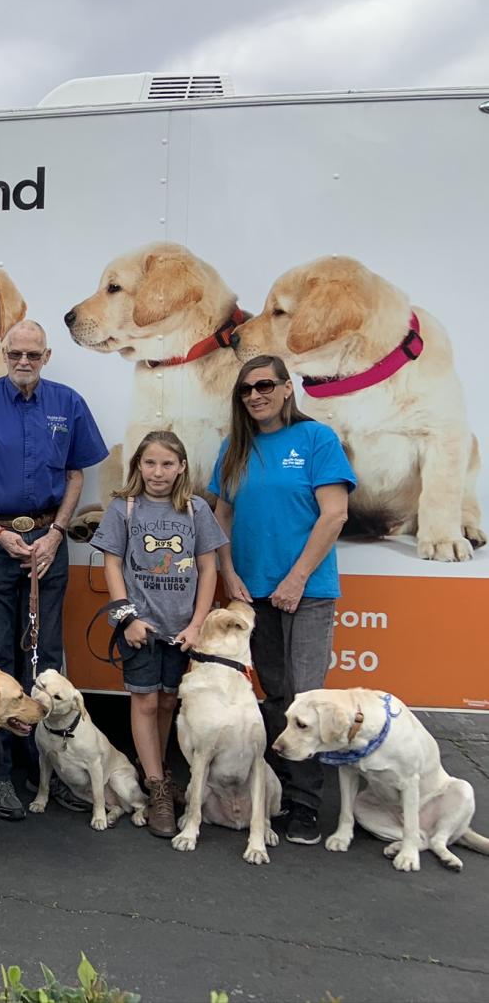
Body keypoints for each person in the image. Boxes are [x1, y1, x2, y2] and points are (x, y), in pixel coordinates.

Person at [0, 319, 108, 821]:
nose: (24, 362)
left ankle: (45, 771)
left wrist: (56, 533)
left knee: (45, 656)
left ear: (47, 356)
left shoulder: (68, 403)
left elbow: (77, 474)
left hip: (49, 540)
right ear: (3, 354)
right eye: (15, 354)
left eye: (33, 355)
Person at [210, 354, 353, 847]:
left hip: (306, 592)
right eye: (246, 389)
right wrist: (229, 574)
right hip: (254, 595)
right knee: (272, 694)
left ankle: (306, 804)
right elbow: (220, 519)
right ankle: (272, 792)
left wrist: (295, 579)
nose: (255, 395)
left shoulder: (317, 440)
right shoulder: (235, 448)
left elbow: (334, 515)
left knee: (306, 698)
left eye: (265, 385)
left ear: (288, 388)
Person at [90, 430, 226, 838]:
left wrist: (198, 623)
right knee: (145, 701)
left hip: (182, 629)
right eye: (149, 463)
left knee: (168, 701)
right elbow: (113, 566)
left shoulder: (196, 509)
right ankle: (157, 786)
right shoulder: (123, 508)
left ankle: (158, 770)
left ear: (182, 466)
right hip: (141, 628)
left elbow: (208, 568)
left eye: (167, 464)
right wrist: (127, 619)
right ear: (138, 466)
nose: (158, 472)